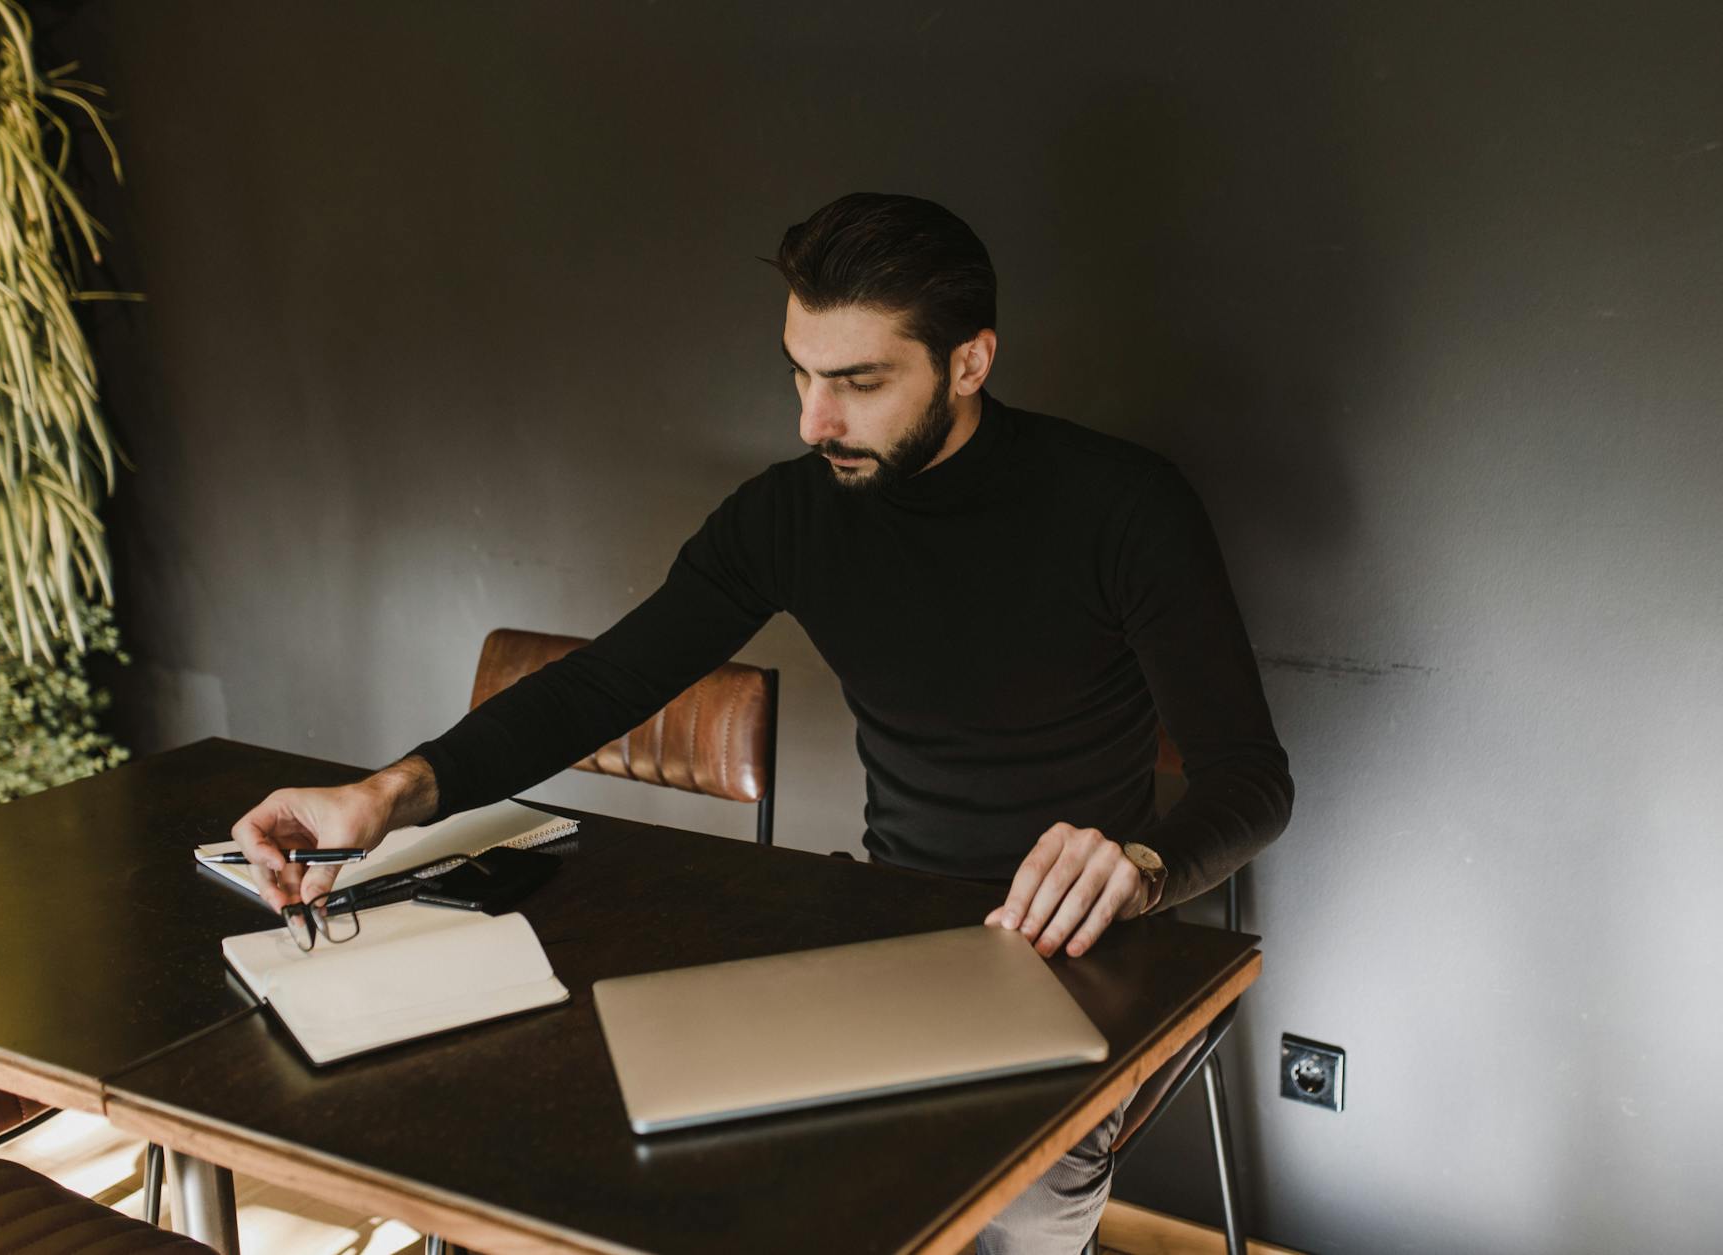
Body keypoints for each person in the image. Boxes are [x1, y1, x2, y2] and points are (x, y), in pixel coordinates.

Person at [231, 192, 1293, 1253]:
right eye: (799, 372)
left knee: (996, 1212)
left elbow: (1249, 777)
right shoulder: (790, 513)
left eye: (857, 382)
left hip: (1076, 948)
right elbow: (603, 684)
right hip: (878, 927)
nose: (811, 421)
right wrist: (383, 794)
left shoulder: (1122, 505)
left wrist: (1141, 864)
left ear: (968, 364)